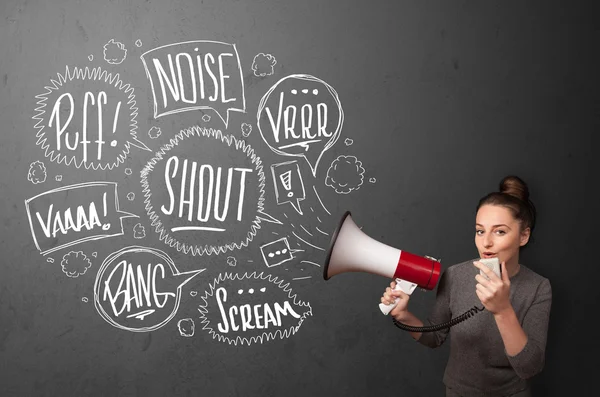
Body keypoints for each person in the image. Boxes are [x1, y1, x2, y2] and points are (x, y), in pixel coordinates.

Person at [381, 175, 552, 397]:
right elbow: (435, 337)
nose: (486, 242)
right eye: (480, 231)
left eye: (500, 231)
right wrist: (404, 316)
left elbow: (529, 368)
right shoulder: (455, 275)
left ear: (523, 236)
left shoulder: (538, 288)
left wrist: (503, 310)